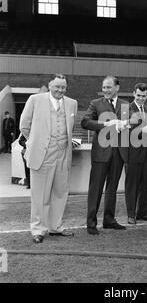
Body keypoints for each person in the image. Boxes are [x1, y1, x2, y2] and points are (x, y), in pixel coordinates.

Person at [20, 74, 78, 243]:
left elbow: (70, 128)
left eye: (63, 87)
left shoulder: (72, 103)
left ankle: (55, 226)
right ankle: (38, 229)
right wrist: (34, 143)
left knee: (60, 193)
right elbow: (24, 124)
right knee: (40, 195)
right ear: (50, 85)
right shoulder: (35, 100)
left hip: (63, 155)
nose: (60, 90)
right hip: (42, 156)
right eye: (57, 86)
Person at [81, 75, 129, 234]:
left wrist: (126, 124)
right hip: (101, 153)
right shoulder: (95, 104)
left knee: (112, 189)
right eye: (104, 87)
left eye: (109, 87)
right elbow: (85, 122)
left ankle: (109, 220)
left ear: (117, 88)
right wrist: (105, 124)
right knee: (96, 188)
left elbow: (133, 122)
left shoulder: (125, 105)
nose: (106, 90)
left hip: (118, 153)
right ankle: (91, 223)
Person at [124, 83, 147, 224]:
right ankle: (131, 214)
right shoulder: (127, 108)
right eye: (138, 95)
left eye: (143, 96)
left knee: (144, 185)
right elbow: (125, 130)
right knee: (132, 185)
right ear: (133, 94)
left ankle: (143, 212)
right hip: (132, 153)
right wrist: (142, 130)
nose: (141, 98)